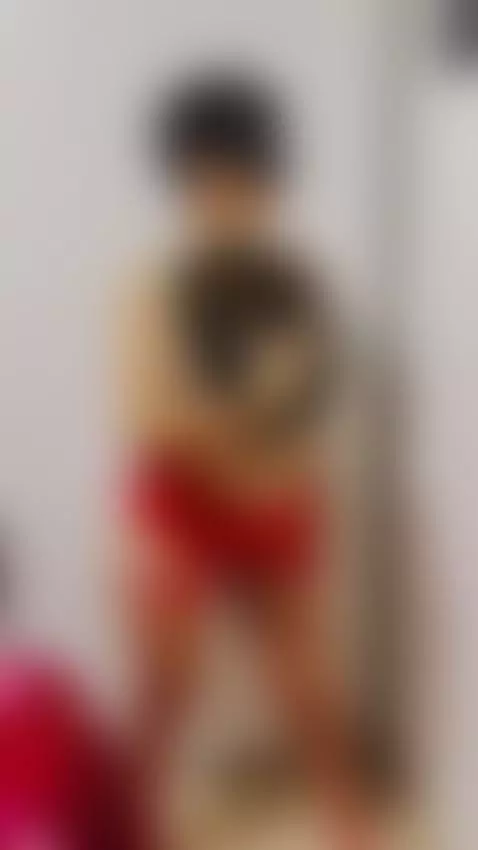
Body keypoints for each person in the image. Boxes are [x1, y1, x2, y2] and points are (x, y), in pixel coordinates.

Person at [115, 73, 376, 849]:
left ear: (269, 183)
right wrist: (233, 420)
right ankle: (132, 814)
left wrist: (254, 431)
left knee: (306, 675)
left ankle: (346, 813)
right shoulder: (153, 288)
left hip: (273, 493)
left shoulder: (294, 285)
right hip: (181, 496)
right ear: (185, 184)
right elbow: (152, 417)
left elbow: (308, 400)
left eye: (244, 179)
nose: (228, 197)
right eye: (210, 180)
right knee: (166, 678)